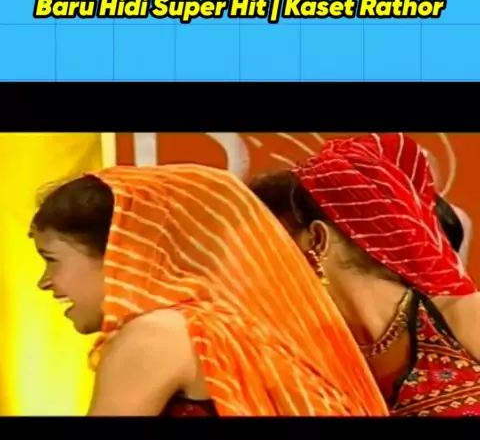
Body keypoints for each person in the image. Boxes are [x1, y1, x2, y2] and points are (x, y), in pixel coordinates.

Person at [29, 164, 388, 417]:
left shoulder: (157, 336)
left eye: (52, 259)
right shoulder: (244, 330)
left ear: (123, 251)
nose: (44, 281)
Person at [250, 133, 480, 417]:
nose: (251, 267)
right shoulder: (299, 358)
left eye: (264, 246)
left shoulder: (464, 319)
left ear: (317, 240)